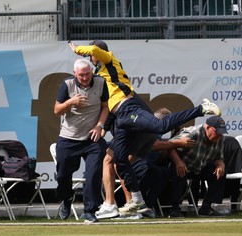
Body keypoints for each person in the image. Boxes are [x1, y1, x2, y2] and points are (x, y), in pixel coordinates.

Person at [70, 40, 221, 215]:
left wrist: (78, 50)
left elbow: (95, 50)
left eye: (90, 56)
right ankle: (127, 203)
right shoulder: (99, 74)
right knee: (116, 160)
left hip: (128, 108)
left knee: (159, 125)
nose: (90, 57)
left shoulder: (109, 60)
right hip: (121, 117)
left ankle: (201, 109)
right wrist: (102, 127)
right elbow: (107, 106)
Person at [96, 108, 196, 219]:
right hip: (133, 154)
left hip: (138, 156)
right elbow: (155, 145)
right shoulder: (145, 125)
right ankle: (128, 204)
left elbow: (156, 148)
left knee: (161, 172)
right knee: (127, 166)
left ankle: (143, 205)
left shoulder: (148, 127)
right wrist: (178, 143)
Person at [54, 58, 109, 223]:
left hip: (92, 138)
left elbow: (105, 107)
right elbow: (56, 110)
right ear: (74, 74)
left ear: (92, 72)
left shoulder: (100, 83)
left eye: (87, 74)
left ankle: (90, 210)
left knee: (94, 172)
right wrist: (71, 102)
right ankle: (66, 199)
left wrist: (100, 126)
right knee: (63, 175)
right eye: (81, 75)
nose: (85, 78)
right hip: (68, 137)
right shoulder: (67, 85)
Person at [168, 115, 227, 217]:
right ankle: (174, 209)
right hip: (184, 165)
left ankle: (206, 207)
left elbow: (219, 157)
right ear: (208, 127)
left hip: (199, 166)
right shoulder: (193, 133)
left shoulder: (220, 139)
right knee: (179, 172)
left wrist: (220, 165)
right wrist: (178, 162)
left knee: (219, 173)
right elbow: (170, 145)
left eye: (221, 132)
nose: (219, 135)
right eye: (217, 132)